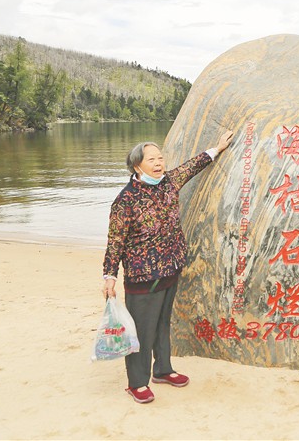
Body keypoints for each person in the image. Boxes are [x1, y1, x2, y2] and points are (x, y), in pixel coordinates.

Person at [102, 130, 234, 404]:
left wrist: (218, 148)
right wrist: (109, 276)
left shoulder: (169, 182)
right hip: (142, 276)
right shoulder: (126, 200)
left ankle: (162, 369)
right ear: (137, 166)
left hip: (170, 269)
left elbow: (192, 166)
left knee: (162, 324)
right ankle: (137, 383)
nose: (158, 162)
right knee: (142, 329)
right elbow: (115, 241)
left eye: (160, 157)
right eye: (151, 159)